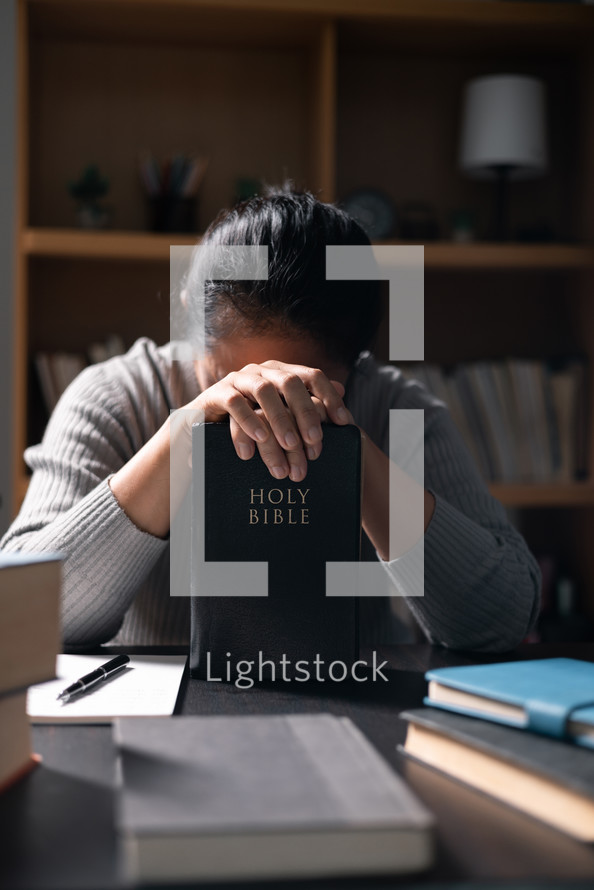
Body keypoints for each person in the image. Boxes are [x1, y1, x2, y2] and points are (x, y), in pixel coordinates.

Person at [1, 185, 540, 651]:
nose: (264, 412)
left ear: (358, 362)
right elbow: (19, 615)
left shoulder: (397, 408)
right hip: (158, 724)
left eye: (302, 385)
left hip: (347, 699)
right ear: (190, 317)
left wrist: (352, 451)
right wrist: (185, 436)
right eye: (234, 381)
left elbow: (500, 620)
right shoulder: (117, 398)